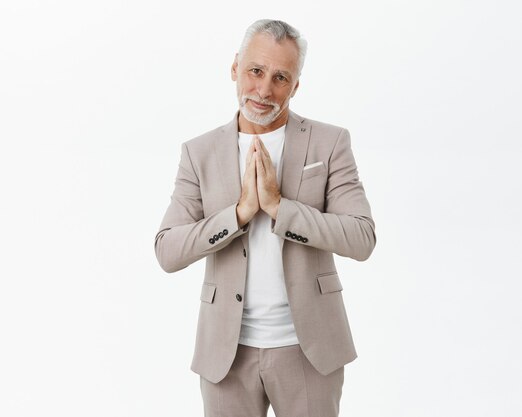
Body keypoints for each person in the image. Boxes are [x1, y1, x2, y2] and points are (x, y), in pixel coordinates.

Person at [154, 19, 376, 417]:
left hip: (311, 353)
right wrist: (238, 214)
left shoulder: (330, 142)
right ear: (235, 67)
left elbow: (361, 238)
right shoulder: (198, 152)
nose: (263, 90)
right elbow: (167, 251)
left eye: (280, 77)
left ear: (295, 86)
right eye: (256, 71)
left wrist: (280, 208)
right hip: (226, 355)